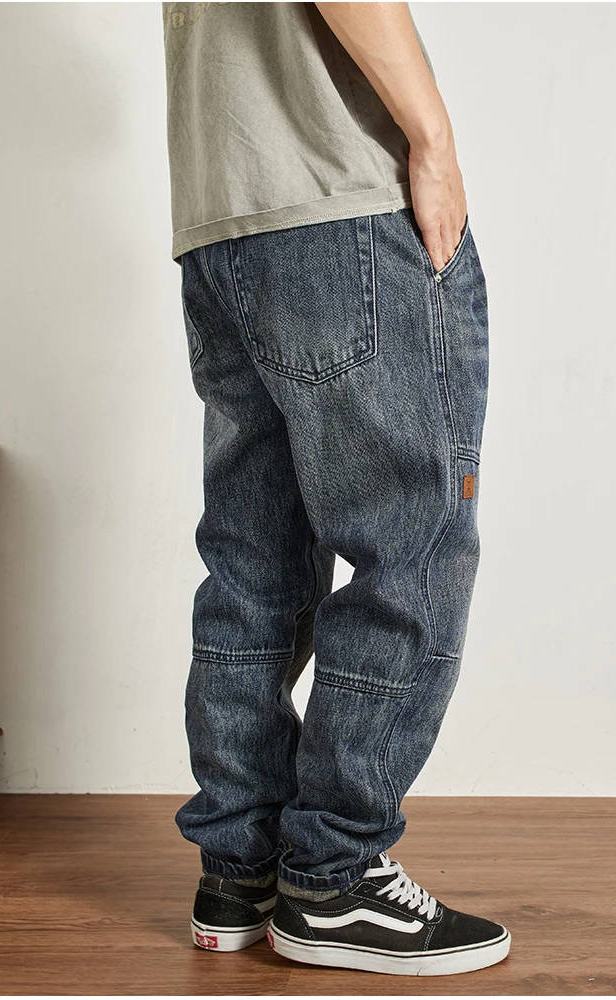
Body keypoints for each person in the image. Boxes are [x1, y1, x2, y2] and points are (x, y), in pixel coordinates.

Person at [162, 1, 510, 977]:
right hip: (338, 207)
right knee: (414, 547)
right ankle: (334, 878)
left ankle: (241, 870)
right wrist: (433, 139)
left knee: (255, 561)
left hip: (220, 222)